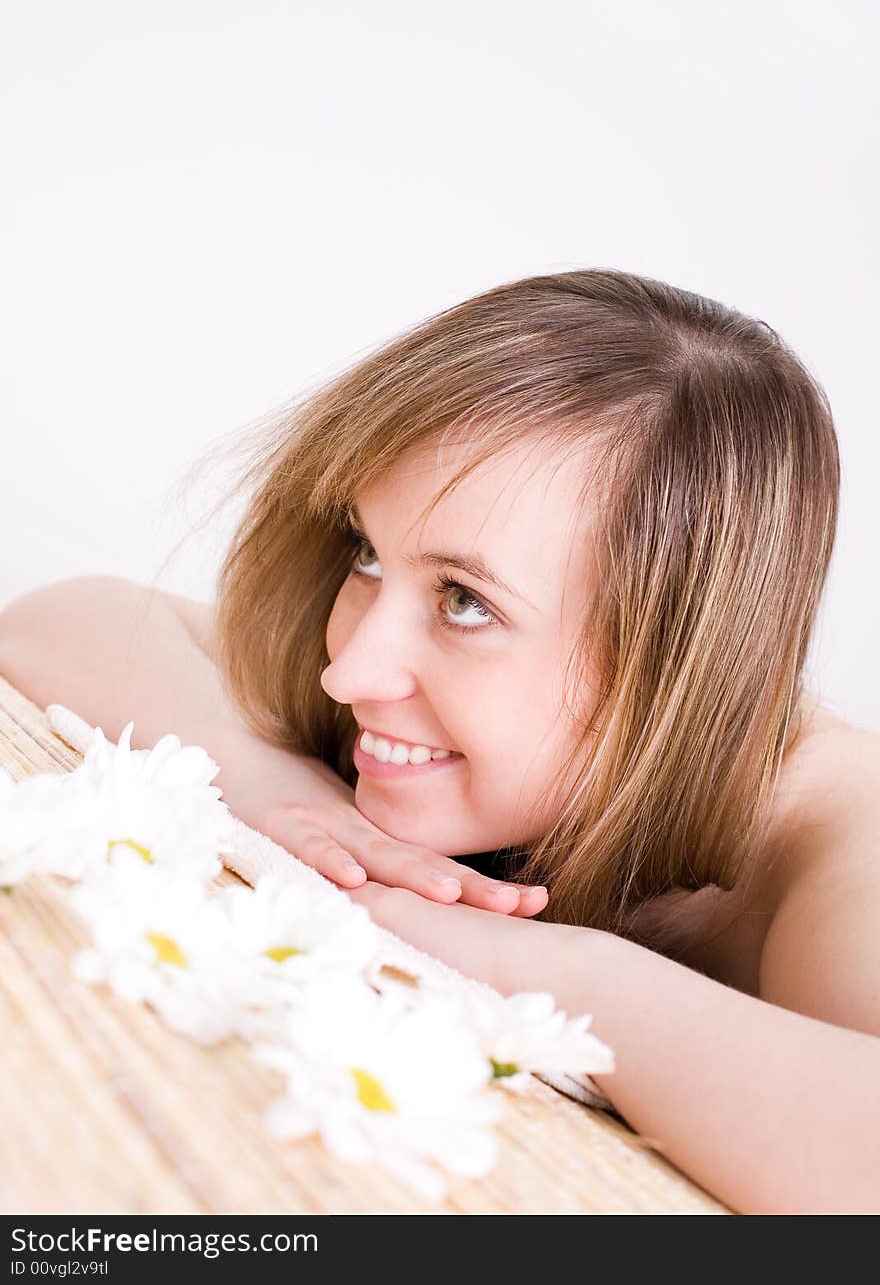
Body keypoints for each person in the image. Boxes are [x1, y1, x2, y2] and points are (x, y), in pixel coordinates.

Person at [2, 268, 878, 1214]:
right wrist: (282, 798)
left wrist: (551, 969)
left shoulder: (846, 857)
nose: (349, 674)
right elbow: (65, 617)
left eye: (466, 602)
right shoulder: (452, 720)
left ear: (686, 662)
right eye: (369, 555)